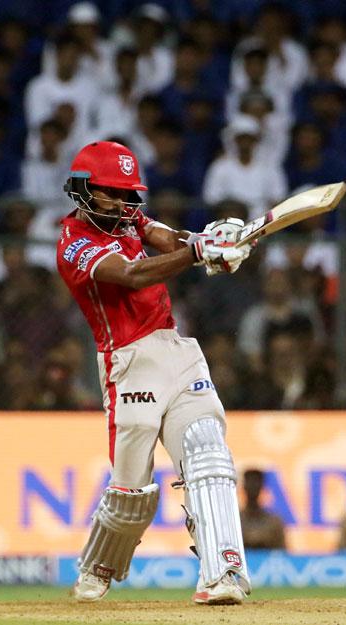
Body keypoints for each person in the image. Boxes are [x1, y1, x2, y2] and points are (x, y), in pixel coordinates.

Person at [56, 141, 255, 605]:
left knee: (208, 451)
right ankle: (98, 565)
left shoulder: (129, 218)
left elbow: (168, 238)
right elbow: (131, 274)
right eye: (113, 194)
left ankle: (223, 573)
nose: (125, 204)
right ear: (85, 192)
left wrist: (210, 243)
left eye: (129, 195)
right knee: (133, 492)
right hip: (128, 365)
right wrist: (197, 254)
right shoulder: (74, 244)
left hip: (176, 350)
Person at [240, 469, 286, 549]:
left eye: (256, 482)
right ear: (244, 486)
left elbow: (282, 552)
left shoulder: (274, 522)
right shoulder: (235, 520)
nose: (253, 486)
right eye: (249, 481)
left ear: (262, 486)